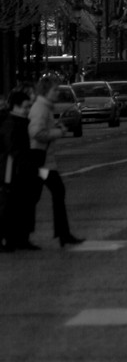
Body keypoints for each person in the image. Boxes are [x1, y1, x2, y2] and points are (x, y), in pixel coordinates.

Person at [28, 75, 84, 248]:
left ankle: (62, 233)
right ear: (45, 91)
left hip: (43, 161)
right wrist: (57, 133)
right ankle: (61, 234)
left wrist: (55, 129)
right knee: (49, 193)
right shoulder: (41, 109)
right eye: (55, 90)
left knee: (37, 196)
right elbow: (37, 132)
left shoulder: (44, 107)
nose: (57, 93)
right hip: (41, 162)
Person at [0, 87, 40, 251]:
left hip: (21, 168)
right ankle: (8, 238)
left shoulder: (20, 122)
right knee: (10, 203)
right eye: (25, 106)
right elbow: (12, 149)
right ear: (15, 106)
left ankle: (19, 238)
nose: (28, 110)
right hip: (12, 169)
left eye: (29, 106)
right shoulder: (11, 124)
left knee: (24, 202)